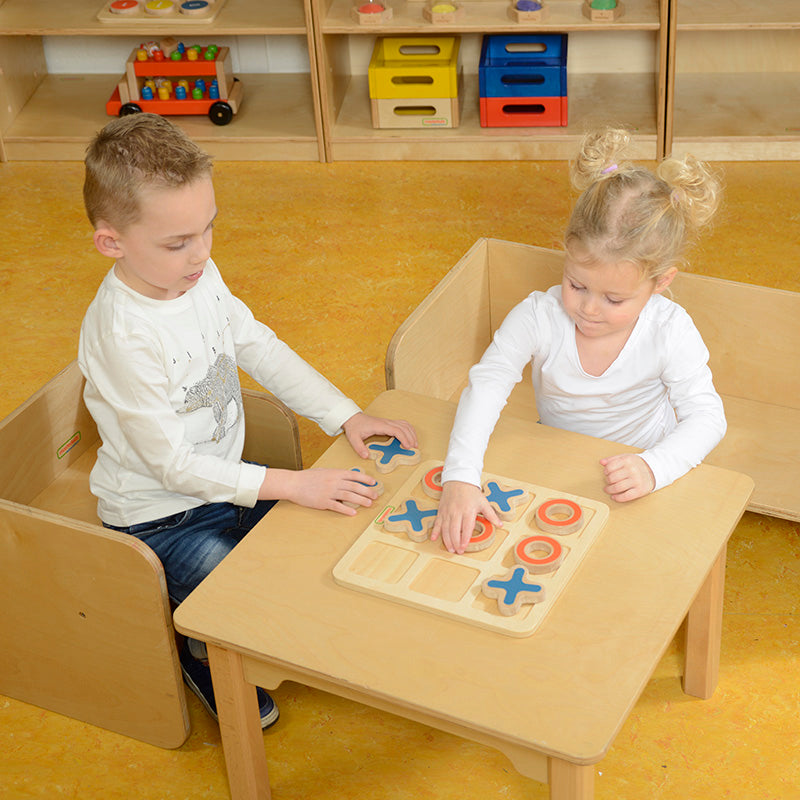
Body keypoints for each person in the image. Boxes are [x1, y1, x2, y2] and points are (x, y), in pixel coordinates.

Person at [78, 113, 417, 728]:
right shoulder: (123, 335)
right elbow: (171, 466)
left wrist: (344, 413)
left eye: (208, 229)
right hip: (160, 519)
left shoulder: (197, 276)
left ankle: (226, 622)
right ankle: (202, 651)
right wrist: (294, 484)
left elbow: (256, 343)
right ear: (112, 242)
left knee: (330, 551)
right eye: (178, 242)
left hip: (232, 482)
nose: (202, 253)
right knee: (249, 601)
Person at [431, 127, 726, 555]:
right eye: (576, 284)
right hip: (559, 456)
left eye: (614, 298)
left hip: (645, 464)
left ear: (661, 282)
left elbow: (707, 417)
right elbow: (489, 382)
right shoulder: (539, 315)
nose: (588, 309)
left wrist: (653, 466)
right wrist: (460, 475)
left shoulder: (670, 330)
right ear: (566, 253)